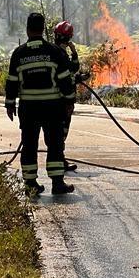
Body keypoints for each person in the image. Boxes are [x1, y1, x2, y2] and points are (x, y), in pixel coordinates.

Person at [5, 12, 77, 196]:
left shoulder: (19, 54)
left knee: (29, 144)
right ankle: (57, 183)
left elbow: (12, 81)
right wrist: (69, 101)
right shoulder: (54, 51)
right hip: (52, 108)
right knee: (55, 144)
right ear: (43, 29)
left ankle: (30, 184)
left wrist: (10, 103)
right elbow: (64, 79)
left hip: (28, 109)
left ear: (28, 29)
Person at [53, 20, 83, 172]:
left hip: (56, 99)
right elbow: (70, 72)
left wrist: (74, 53)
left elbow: (72, 69)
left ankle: (60, 159)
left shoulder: (54, 51)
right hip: (63, 100)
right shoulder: (61, 54)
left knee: (58, 132)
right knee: (61, 131)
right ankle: (59, 161)